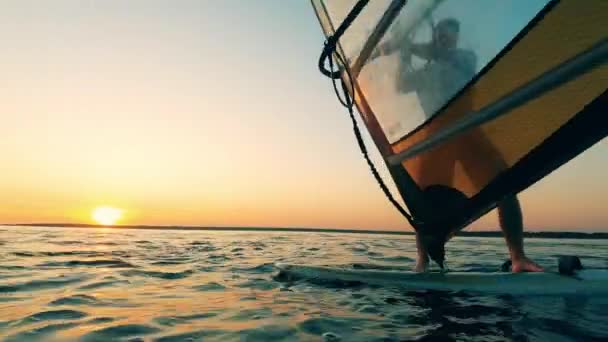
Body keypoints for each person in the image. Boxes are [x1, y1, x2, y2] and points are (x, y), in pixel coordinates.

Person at [371, 18, 543, 273]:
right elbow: (401, 84)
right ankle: (422, 261)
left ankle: (518, 257)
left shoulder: (464, 58)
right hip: (434, 136)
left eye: (449, 36)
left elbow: (442, 54)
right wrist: (404, 55)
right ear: (436, 35)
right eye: (440, 34)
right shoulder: (427, 72)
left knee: (505, 186)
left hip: (467, 129)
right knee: (422, 201)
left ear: (455, 39)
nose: (444, 39)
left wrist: (407, 43)